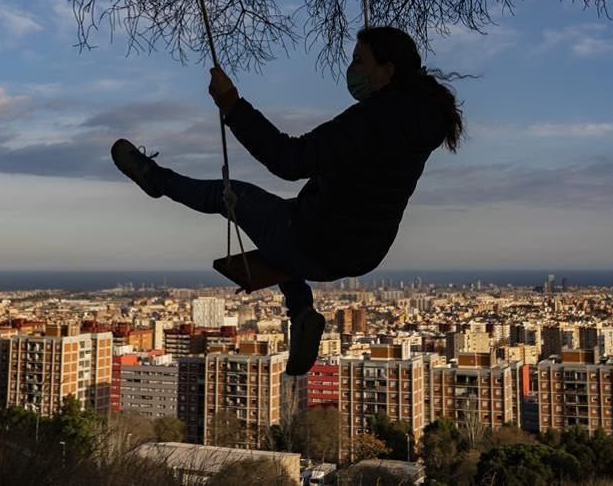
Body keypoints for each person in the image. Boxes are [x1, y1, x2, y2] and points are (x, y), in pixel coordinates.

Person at [111, 26, 466, 376]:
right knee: (278, 234)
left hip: (316, 239)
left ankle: (154, 179)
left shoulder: (371, 121)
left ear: (386, 71)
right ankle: (300, 311)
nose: (352, 69)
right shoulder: (418, 124)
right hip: (363, 252)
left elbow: (289, 159)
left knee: (230, 195)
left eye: (360, 61)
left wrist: (232, 105)